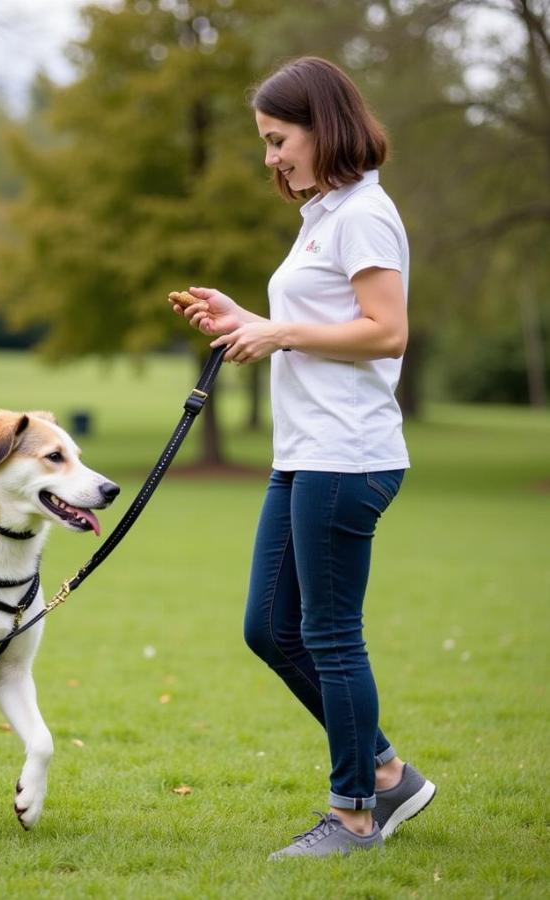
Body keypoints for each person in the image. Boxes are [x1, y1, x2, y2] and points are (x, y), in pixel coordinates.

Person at [169, 56, 436, 860]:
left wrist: (279, 331)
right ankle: (387, 772)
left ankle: (356, 815)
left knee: (327, 635)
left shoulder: (364, 214)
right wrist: (244, 316)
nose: (270, 157)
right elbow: (327, 324)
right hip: (306, 453)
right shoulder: (325, 212)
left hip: (346, 458)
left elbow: (386, 331)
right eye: (265, 142)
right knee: (269, 628)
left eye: (278, 139)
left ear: (324, 126)